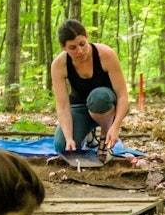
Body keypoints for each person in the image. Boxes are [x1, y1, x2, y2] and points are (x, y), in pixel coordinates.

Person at [50, 19, 130, 153]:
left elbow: (122, 95)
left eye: (82, 44)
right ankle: (88, 136)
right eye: (72, 48)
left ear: (87, 37)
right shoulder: (59, 65)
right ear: (63, 47)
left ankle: (104, 136)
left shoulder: (106, 54)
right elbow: (63, 106)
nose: (80, 51)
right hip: (80, 107)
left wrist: (115, 127)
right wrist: (69, 138)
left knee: (97, 97)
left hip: (107, 105)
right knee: (62, 146)